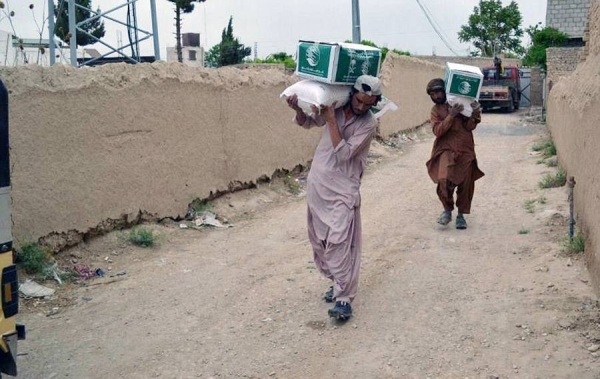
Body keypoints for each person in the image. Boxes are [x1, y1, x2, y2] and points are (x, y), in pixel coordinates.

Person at [286, 75, 381, 320]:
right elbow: (307, 122)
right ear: (352, 94)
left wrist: (331, 122)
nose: (361, 107)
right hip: (318, 183)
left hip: (344, 188)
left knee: (340, 239)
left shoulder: (369, 124)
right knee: (321, 241)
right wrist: (297, 107)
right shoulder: (335, 107)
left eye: (368, 104)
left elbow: (345, 154)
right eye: (359, 101)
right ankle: (337, 281)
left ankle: (344, 299)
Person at [425, 78, 485, 230]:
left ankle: (461, 216)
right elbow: (437, 131)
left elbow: (470, 127)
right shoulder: (436, 110)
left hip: (465, 149)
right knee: (443, 179)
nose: (436, 96)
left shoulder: (462, 103)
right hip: (445, 149)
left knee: (466, 183)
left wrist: (474, 113)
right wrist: (451, 115)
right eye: (432, 94)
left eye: (438, 92)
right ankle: (447, 209)